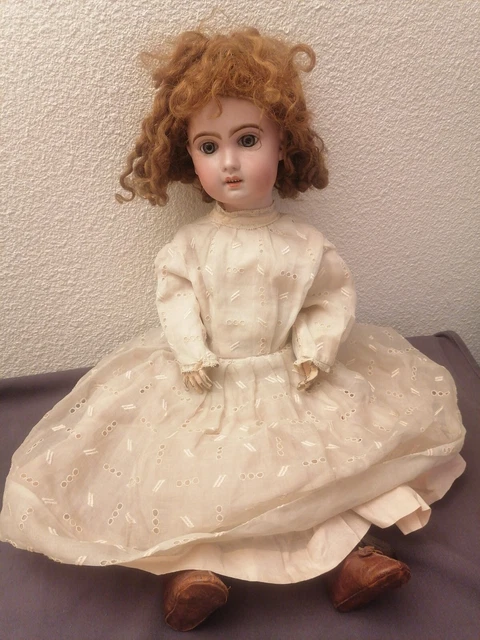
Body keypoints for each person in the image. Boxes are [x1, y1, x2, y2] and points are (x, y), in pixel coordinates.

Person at [0, 28, 466, 632]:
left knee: (319, 468)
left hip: (293, 374)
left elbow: (328, 300)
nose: (229, 162)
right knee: (190, 475)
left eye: (247, 139)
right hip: (208, 379)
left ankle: (352, 561)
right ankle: (192, 572)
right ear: (187, 158)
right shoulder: (189, 247)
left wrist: (316, 349)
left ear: (282, 144)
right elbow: (177, 304)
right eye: (208, 145)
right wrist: (191, 352)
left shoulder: (305, 244)